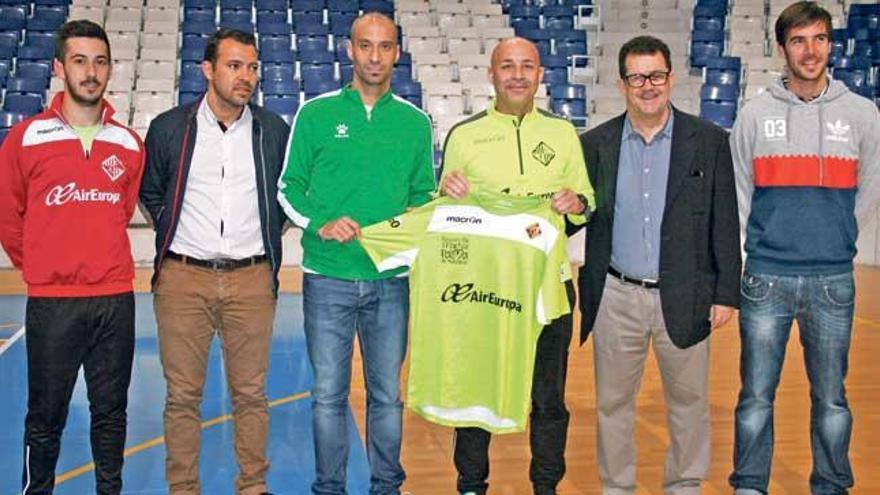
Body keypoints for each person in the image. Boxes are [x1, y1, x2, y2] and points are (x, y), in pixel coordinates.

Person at [276, 12, 435, 495]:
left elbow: (423, 198)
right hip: (327, 278)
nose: (374, 56)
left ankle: (387, 486)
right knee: (328, 396)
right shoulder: (315, 113)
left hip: (390, 282)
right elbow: (289, 187)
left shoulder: (415, 123)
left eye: (385, 46)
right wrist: (319, 221)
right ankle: (330, 487)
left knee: (387, 397)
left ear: (397, 53)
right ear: (349, 50)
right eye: (366, 45)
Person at [576, 35, 741, 494]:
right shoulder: (596, 144)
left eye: (656, 75)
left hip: (687, 294)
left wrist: (727, 292)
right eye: (637, 77)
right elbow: (578, 215)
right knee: (612, 405)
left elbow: (725, 219)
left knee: (689, 404)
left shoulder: (708, 140)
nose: (647, 85)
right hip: (616, 296)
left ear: (671, 78)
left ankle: (685, 485)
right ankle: (617, 487)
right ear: (622, 83)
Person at [729, 3, 880, 494]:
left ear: (831, 44)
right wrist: (765, 246)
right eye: (798, 41)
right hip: (766, 277)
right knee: (755, 397)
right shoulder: (754, 114)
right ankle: (750, 484)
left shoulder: (862, 114)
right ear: (781, 49)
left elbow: (870, 192)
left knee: (832, 399)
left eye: (818, 39)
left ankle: (831, 485)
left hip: (833, 279)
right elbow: (740, 194)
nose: (810, 50)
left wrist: (834, 241)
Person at [439, 36, 594, 495]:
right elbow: (447, 221)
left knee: (549, 399)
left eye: (527, 66)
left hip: (550, 285)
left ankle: (546, 485)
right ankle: (471, 484)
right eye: (507, 66)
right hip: (484, 289)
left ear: (540, 74)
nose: (518, 75)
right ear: (491, 75)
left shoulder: (563, 134)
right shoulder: (464, 136)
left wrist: (576, 201)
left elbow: (587, 202)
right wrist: (446, 193)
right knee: (477, 391)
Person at [138, 28, 289, 495]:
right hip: (183, 279)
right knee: (182, 397)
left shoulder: (273, 130)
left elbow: (283, 199)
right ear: (208, 70)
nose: (246, 76)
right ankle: (182, 488)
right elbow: (151, 192)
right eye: (234, 65)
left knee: (251, 395)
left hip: (251, 278)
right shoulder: (169, 127)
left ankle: (253, 486)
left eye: (253, 67)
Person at [0, 20, 144, 495]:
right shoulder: (25, 139)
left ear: (110, 69)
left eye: (100, 61)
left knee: (111, 413)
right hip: (53, 302)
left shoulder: (128, 144)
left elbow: (121, 210)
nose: (91, 71)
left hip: (114, 299)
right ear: (60, 67)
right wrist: (43, 267)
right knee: (45, 416)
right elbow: (8, 217)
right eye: (80, 61)